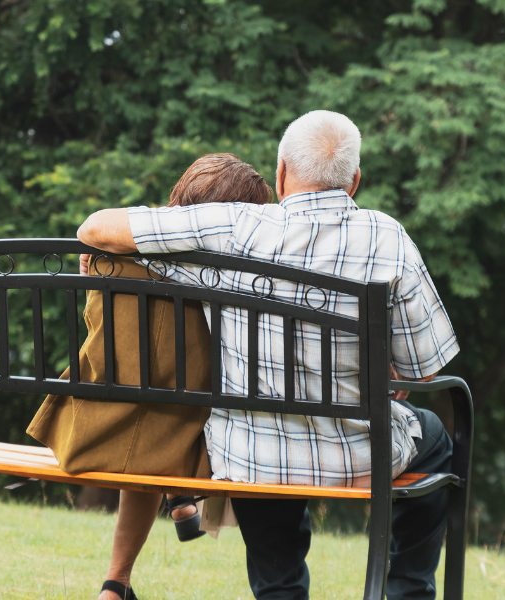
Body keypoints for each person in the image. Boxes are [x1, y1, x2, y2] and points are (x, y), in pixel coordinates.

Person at [77, 110, 460, 600]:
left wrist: (99, 246)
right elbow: (422, 371)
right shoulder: (390, 239)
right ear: (355, 181)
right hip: (360, 456)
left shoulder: (233, 227)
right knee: (433, 436)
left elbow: (98, 226)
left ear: (280, 173)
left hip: (251, 460)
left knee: (264, 457)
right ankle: (407, 590)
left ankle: (280, 590)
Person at [26, 153, 274, 600]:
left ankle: (115, 585)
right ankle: (178, 499)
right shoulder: (231, 277)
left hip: (91, 430)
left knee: (146, 409)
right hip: (180, 443)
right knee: (171, 410)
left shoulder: (109, 257)